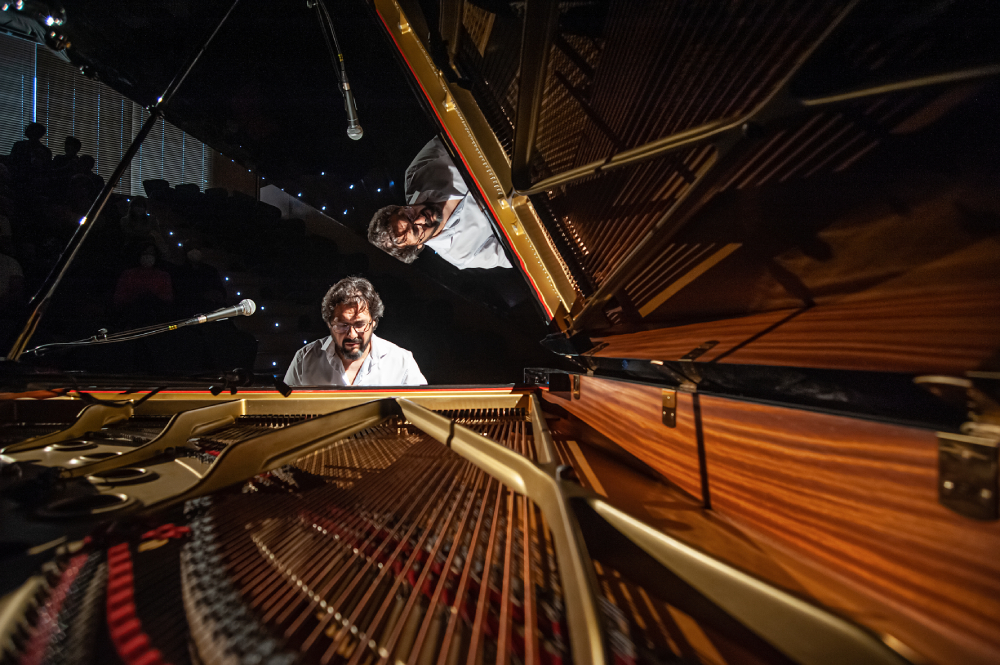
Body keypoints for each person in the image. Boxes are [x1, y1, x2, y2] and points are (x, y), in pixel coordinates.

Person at [368, 137, 512, 270]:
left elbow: (454, 132)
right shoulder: (462, 255)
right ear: (419, 246)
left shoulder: (416, 173)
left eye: (409, 215)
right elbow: (516, 255)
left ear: (400, 208)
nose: (421, 219)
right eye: (416, 231)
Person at [284, 276, 426, 386]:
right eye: (342, 325)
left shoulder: (402, 362)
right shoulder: (304, 359)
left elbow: (423, 411)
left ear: (374, 322)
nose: (352, 335)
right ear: (329, 324)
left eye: (360, 324)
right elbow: (285, 410)